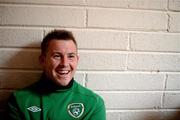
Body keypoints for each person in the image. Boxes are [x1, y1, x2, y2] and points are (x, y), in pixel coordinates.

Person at [7, 30, 106, 120]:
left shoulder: (93, 104)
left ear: (77, 60)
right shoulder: (19, 101)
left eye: (71, 56)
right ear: (42, 60)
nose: (64, 64)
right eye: (57, 56)